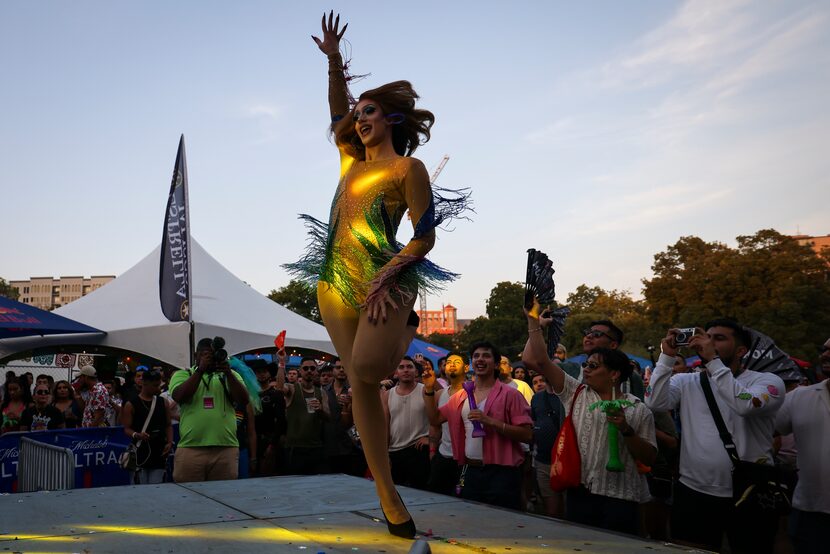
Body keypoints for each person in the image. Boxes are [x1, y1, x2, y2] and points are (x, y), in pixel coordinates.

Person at [281, 11, 469, 539]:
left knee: (365, 369)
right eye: (358, 115)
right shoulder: (349, 161)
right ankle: (388, 496)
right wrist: (335, 64)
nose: (360, 119)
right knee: (361, 386)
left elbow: (425, 237)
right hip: (332, 282)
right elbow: (336, 112)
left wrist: (389, 277)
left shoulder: (407, 170)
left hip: (384, 279)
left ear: (391, 120)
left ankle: (406, 325)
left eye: (371, 113)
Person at [645, 321, 786, 553]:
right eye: (706, 336)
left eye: (718, 338)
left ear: (741, 351)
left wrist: (713, 362)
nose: (708, 342)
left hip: (750, 493)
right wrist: (666, 357)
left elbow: (746, 405)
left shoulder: (768, 382)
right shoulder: (687, 381)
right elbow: (655, 402)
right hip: (694, 491)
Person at [522, 310, 657, 535]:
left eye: (593, 366)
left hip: (621, 498)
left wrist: (626, 429)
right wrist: (533, 322)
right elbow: (539, 361)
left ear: (614, 375)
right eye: (586, 364)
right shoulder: (576, 392)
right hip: (580, 494)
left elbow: (650, 457)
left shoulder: (637, 408)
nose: (585, 369)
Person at [424, 342, 533, 510]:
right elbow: (435, 419)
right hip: (470, 471)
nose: (480, 359)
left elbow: (527, 434)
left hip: (502, 473)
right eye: (476, 356)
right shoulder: (461, 395)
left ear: (496, 364)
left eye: (486, 356)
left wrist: (491, 422)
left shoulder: (511, 395)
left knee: (502, 525)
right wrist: (429, 389)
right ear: (472, 363)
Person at [169, 338, 250, 482]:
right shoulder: (183, 375)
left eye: (213, 355)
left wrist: (229, 374)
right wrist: (200, 371)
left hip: (226, 449)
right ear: (196, 356)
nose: (211, 359)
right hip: (191, 448)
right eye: (206, 355)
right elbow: (179, 396)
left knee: (224, 498)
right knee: (189, 497)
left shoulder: (230, 375)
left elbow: (244, 400)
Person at [775, 367, 829, 554]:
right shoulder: (799, 397)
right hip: (809, 510)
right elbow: (768, 431)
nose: (826, 354)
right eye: (824, 350)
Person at [383, 356, 432, 490]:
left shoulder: (425, 390)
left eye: (409, 367)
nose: (406, 370)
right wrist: (385, 453)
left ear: (416, 372)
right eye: (401, 367)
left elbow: (436, 418)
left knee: (420, 494)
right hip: (395, 451)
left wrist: (430, 438)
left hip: (418, 450)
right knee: (397, 494)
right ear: (396, 373)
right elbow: (385, 426)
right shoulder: (387, 395)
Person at [280, 357, 330, 475]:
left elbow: (328, 417)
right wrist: (281, 364)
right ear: (300, 371)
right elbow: (279, 387)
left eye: (312, 368)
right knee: (295, 486)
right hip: (295, 448)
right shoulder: (292, 388)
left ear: (316, 371)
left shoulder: (321, 392)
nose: (309, 371)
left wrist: (320, 410)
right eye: (305, 368)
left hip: (315, 447)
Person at [122, 370, 173, 484]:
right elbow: (126, 428)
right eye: (155, 385)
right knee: (140, 487)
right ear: (144, 384)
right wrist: (137, 435)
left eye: (159, 385)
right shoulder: (131, 404)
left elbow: (168, 424)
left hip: (159, 452)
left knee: (157, 487)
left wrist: (169, 442)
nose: (158, 388)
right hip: (140, 452)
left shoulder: (163, 402)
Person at [427, 352, 465, 495]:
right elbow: (434, 424)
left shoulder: (473, 392)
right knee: (436, 494)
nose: (452, 365)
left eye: (457, 362)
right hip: (443, 455)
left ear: (466, 367)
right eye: (449, 362)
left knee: (463, 496)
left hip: (465, 459)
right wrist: (432, 450)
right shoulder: (440, 394)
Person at [529, 373, 565, 518]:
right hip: (543, 460)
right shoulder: (536, 398)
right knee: (551, 511)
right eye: (536, 381)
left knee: (568, 509)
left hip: (565, 460)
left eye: (542, 380)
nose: (540, 383)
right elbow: (534, 421)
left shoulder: (565, 397)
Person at [253, 362, 286, 476]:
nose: (261, 375)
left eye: (264, 372)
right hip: (253, 440)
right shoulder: (251, 394)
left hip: (270, 439)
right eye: (258, 372)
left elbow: (281, 420)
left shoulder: (276, 394)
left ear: (269, 374)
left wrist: (273, 444)